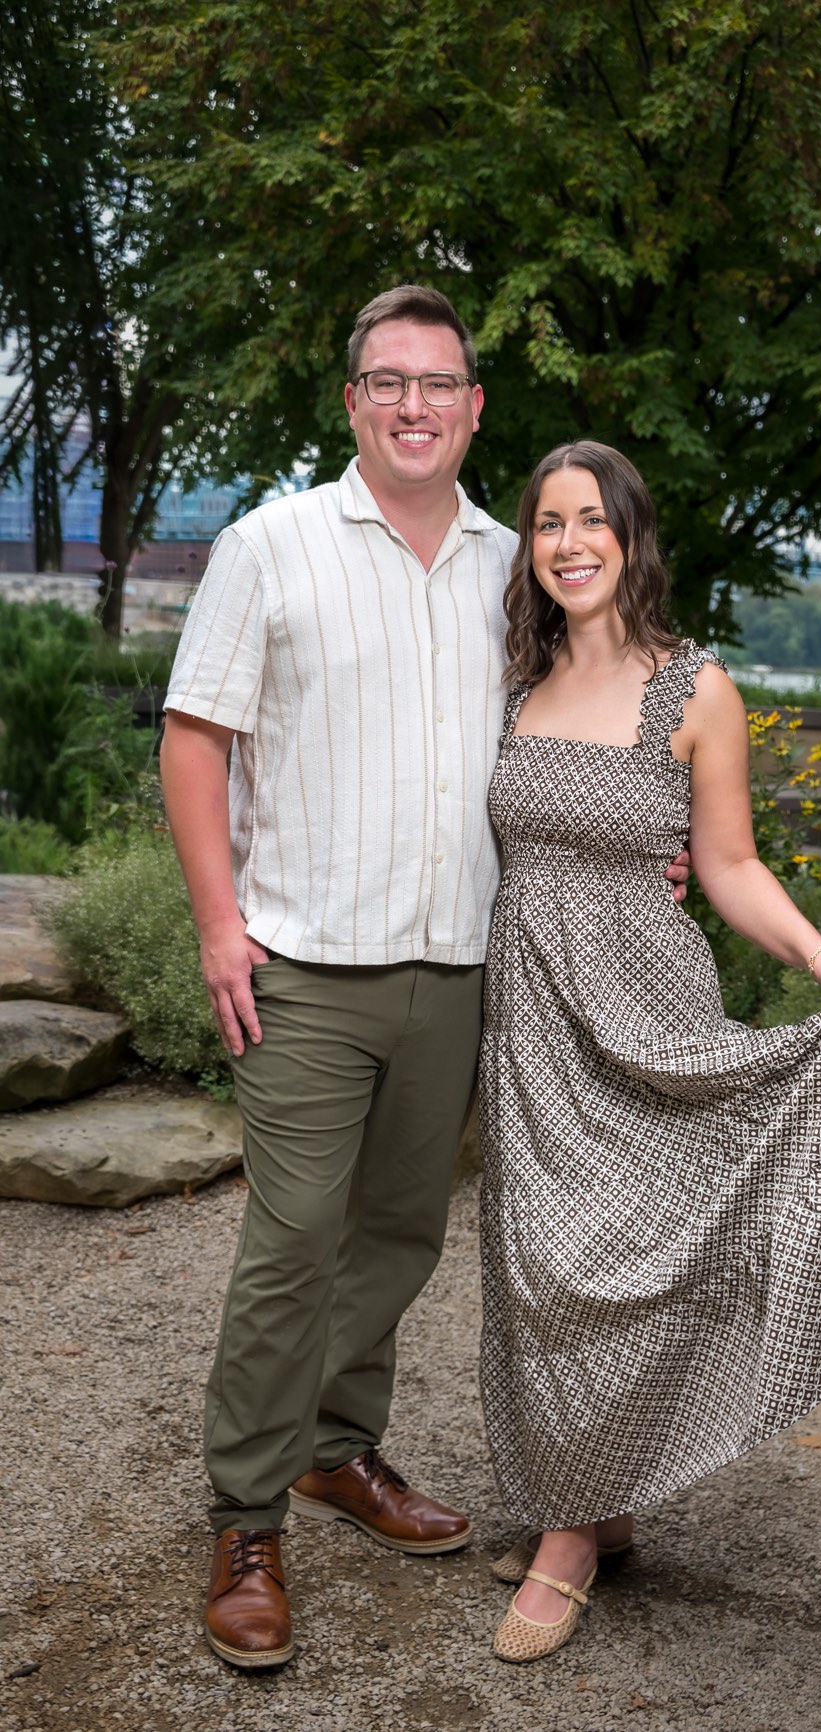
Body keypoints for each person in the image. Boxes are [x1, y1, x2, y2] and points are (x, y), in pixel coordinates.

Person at [160, 284, 694, 1668]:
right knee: (291, 1248)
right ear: (354, 402)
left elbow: (599, 713)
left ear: (470, 408)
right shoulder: (270, 546)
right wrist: (220, 927)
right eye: (386, 381)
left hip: (460, 967)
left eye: (438, 385)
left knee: (402, 1236)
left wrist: (660, 837)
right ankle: (246, 1522)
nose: (413, 405)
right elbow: (195, 738)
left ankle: (342, 1454)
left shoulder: (516, 564)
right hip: (304, 967)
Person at [477, 440, 821, 1664]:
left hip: (647, 1011)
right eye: (546, 524)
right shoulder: (507, 672)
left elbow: (728, 863)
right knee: (549, 1267)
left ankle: (571, 1530)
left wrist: (817, 957)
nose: (568, 543)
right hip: (532, 1018)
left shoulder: (694, 689)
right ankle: (594, 1503)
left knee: (642, 1255)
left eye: (591, 520)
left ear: (631, 536)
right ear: (528, 546)